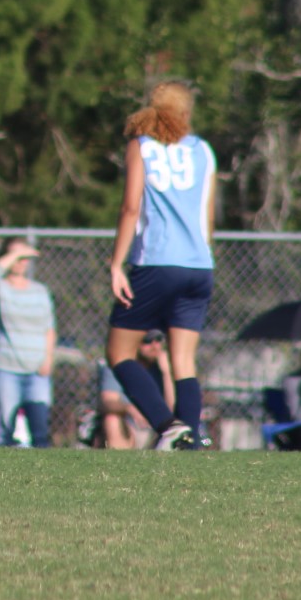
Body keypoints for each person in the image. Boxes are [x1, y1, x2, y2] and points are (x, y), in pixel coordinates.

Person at [104, 81, 217, 451]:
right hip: (199, 265)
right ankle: (191, 440)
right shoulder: (203, 150)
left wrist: (116, 264)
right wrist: (201, 257)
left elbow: (130, 208)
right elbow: (207, 217)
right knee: (183, 359)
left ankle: (169, 427)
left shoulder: (142, 146)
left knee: (119, 353)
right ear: (185, 112)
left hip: (156, 263)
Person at [0, 238, 56, 448]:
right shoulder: (1, 289)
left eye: (25, 257)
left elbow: (49, 328)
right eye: (16, 256)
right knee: (5, 431)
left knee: (40, 431)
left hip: (37, 370)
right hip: (6, 369)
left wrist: (47, 359)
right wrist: (16, 253)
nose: (21, 261)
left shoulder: (40, 291)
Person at [94, 330, 174, 449]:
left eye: (158, 340)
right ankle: (118, 459)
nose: (155, 346)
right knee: (112, 419)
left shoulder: (164, 368)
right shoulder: (118, 364)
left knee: (179, 425)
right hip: (130, 427)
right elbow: (108, 401)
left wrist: (166, 373)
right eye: (147, 341)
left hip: (158, 430)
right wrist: (129, 408)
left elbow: (172, 410)